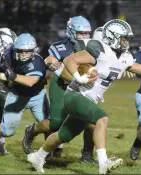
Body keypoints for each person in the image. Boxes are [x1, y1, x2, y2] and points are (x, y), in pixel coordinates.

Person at [26, 19, 141, 174]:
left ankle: (38, 156)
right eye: (123, 38)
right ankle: (103, 163)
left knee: (63, 135)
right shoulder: (99, 50)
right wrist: (78, 77)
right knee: (102, 119)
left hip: (90, 98)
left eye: (127, 39)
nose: (126, 42)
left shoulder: (125, 57)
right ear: (112, 37)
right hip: (76, 95)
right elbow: (70, 60)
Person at [22, 16, 96, 162]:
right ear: (71, 32)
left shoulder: (93, 47)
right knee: (55, 123)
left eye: (87, 33)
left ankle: (87, 155)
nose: (85, 36)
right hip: (62, 85)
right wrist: (50, 61)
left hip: (82, 88)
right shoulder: (61, 47)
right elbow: (49, 59)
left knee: (92, 121)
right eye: (82, 33)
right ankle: (32, 130)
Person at [0, 33, 49, 155]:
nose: (24, 54)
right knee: (6, 131)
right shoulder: (8, 54)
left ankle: (44, 151)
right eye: (21, 51)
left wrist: (12, 77)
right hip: (16, 96)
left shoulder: (37, 62)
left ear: (34, 50)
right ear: (15, 49)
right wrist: (2, 82)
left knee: (49, 124)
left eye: (27, 51)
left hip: (37, 96)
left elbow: (30, 82)